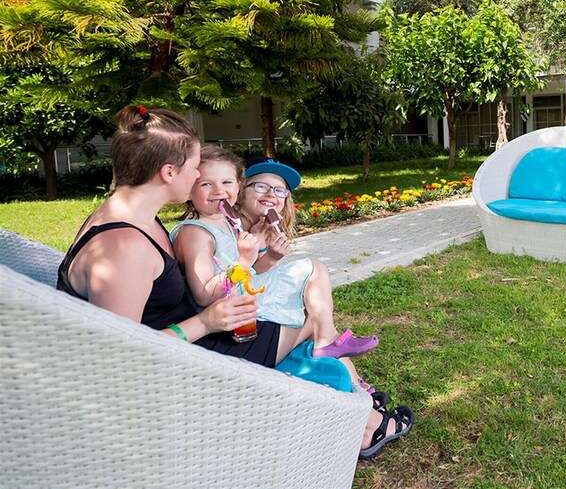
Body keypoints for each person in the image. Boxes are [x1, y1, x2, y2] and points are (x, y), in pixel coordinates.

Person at [57, 106, 411, 460]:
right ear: (169, 172)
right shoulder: (123, 247)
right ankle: (366, 421)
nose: (198, 173)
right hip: (194, 367)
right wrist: (205, 322)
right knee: (309, 318)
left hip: (195, 346)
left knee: (310, 313)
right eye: (195, 166)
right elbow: (120, 357)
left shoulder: (132, 218)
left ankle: (360, 408)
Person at [170, 146, 379, 359]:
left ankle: (332, 351)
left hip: (240, 306)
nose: (219, 191)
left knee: (315, 307)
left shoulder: (225, 223)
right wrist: (244, 260)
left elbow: (248, 273)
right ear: (188, 190)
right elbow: (204, 296)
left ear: (237, 186)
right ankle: (327, 341)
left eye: (227, 182)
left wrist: (267, 256)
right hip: (226, 321)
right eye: (206, 184)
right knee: (314, 272)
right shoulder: (196, 232)